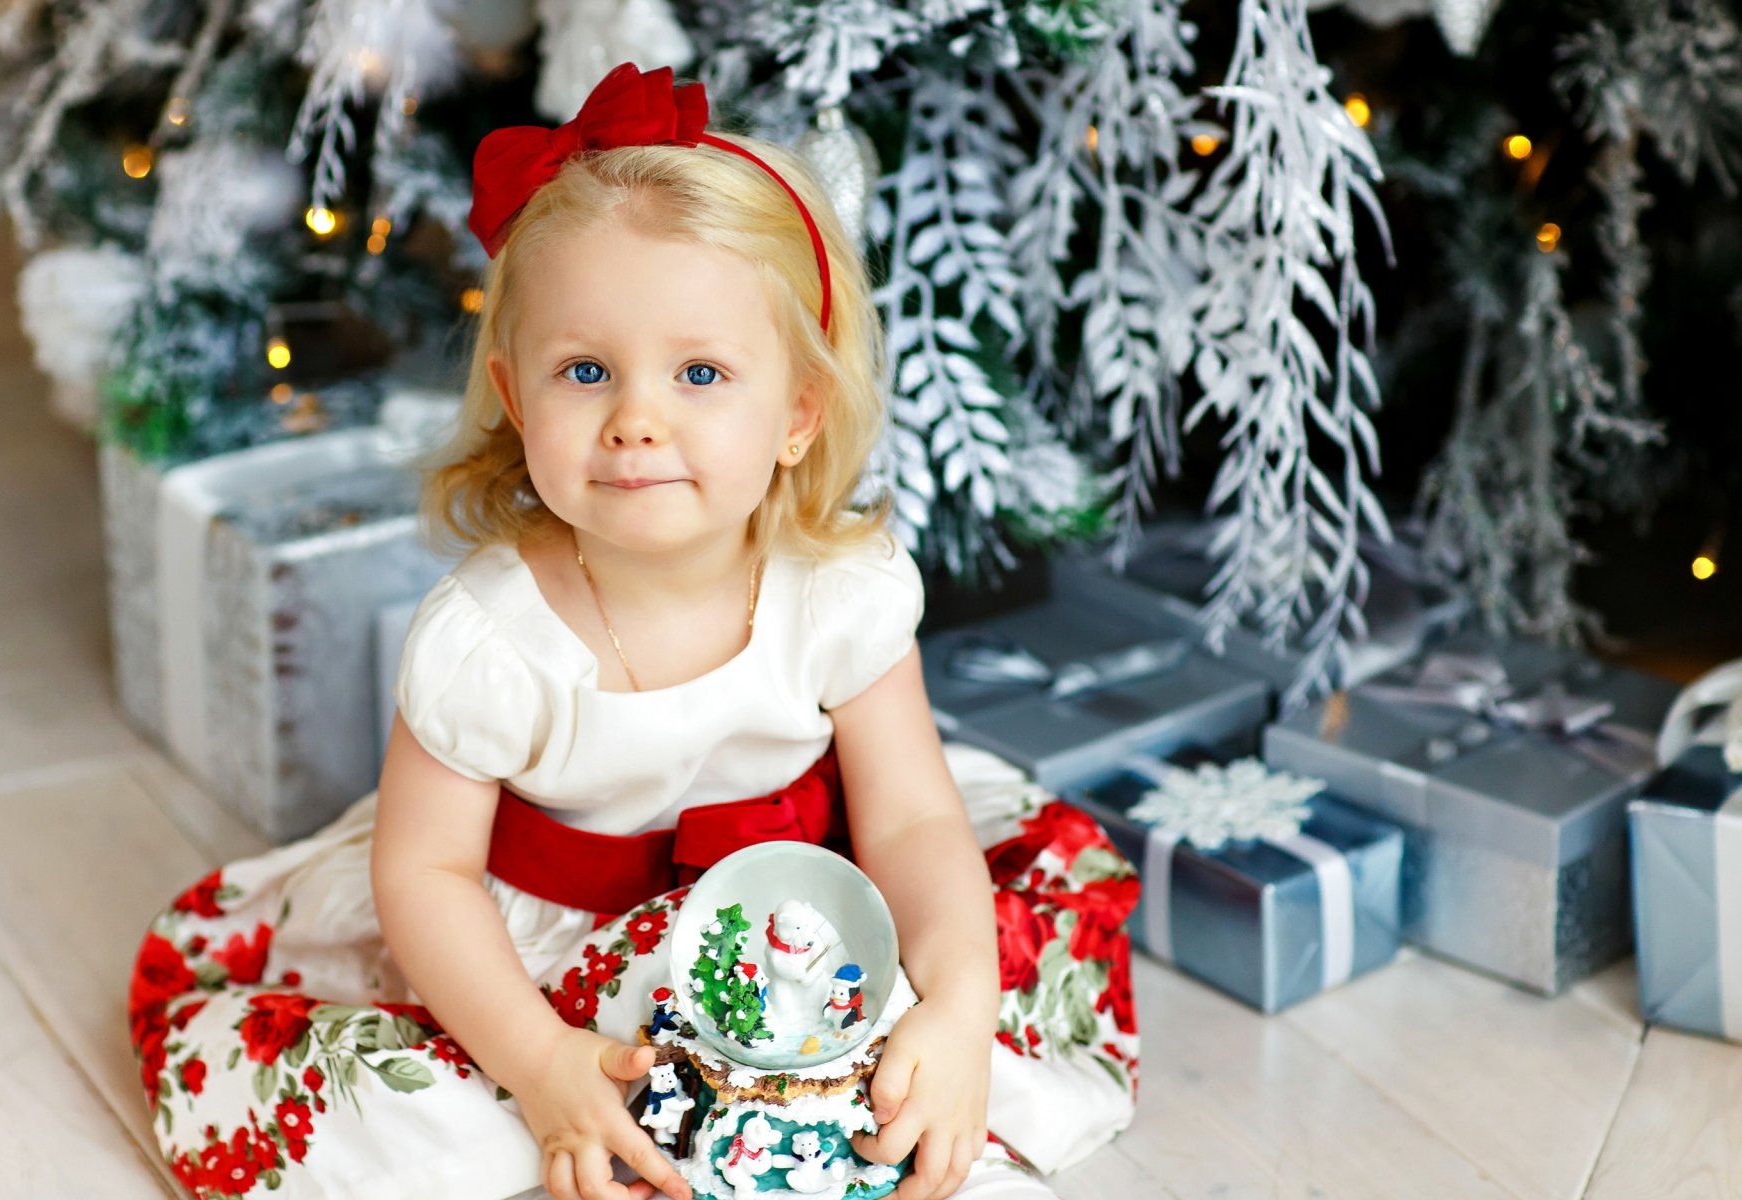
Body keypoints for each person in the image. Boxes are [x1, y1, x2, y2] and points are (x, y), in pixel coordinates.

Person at [127, 62, 1139, 1200]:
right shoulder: (489, 641)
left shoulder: (839, 591)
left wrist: (957, 1008)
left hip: (797, 918)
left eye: (700, 372)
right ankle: (598, 1114)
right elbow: (424, 872)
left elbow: (909, 818)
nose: (636, 420)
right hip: (546, 955)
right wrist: (536, 1060)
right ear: (517, 397)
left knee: (938, 1029)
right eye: (586, 371)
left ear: (798, 414)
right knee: (446, 1131)